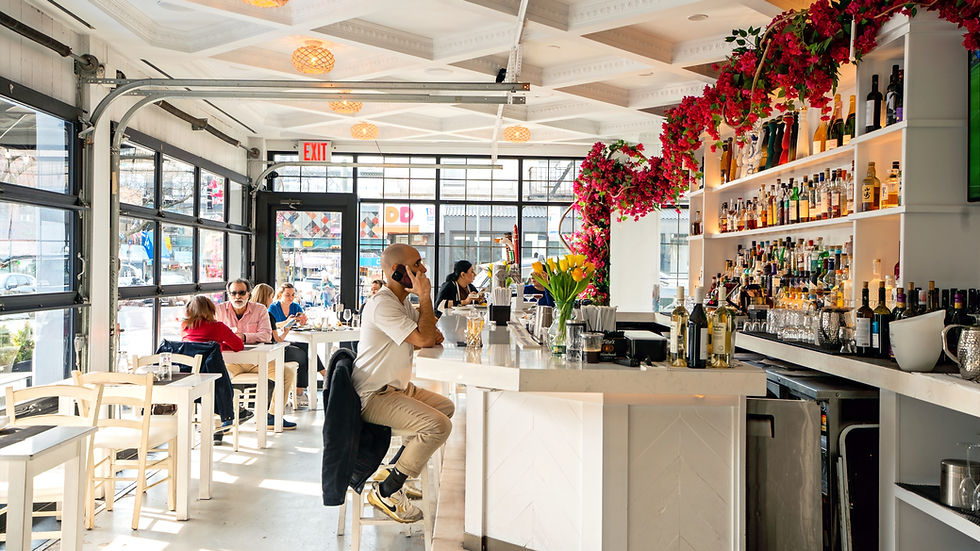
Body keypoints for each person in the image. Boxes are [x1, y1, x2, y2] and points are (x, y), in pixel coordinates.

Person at [355, 243, 452, 523]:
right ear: (398, 272)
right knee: (439, 426)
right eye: (417, 264)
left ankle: (395, 469)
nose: (423, 270)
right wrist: (425, 296)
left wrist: (425, 320)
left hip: (396, 389)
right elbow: (424, 338)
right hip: (374, 396)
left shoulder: (401, 303)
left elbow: (429, 333)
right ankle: (388, 490)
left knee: (445, 408)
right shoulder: (383, 304)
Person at [216, 278, 297, 430]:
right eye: (233, 293)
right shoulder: (219, 310)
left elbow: (266, 336)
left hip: (258, 363)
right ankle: (221, 422)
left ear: (249, 294)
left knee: (286, 373)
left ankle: (273, 415)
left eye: (241, 293)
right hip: (230, 363)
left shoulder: (260, 310)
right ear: (228, 294)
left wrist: (244, 337)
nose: (237, 296)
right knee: (215, 377)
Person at [252, 283, 324, 409]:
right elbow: (277, 339)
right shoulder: (268, 313)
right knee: (305, 354)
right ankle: (319, 378)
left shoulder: (255, 312)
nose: (272, 299)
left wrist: (296, 323)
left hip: (264, 351)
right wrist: (286, 328)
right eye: (271, 297)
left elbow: (276, 337)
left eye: (293, 295)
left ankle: (301, 391)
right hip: (272, 351)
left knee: (304, 348)